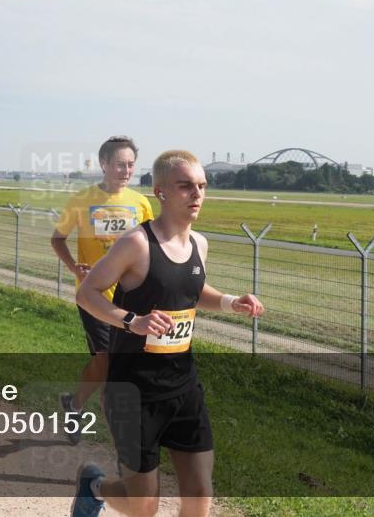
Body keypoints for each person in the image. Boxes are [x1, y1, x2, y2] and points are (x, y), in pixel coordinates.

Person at [71, 150, 264, 517]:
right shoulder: (137, 244)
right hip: (133, 389)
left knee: (199, 495)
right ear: (160, 192)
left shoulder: (199, 244)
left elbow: (191, 292)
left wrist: (229, 302)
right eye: (186, 186)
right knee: (143, 507)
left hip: (183, 384)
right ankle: (94, 487)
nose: (197, 195)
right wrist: (132, 321)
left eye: (202, 186)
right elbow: (87, 293)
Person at [50, 136, 154, 443]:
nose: (126, 170)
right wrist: (73, 267)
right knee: (107, 359)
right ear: (104, 164)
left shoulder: (141, 203)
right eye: (120, 164)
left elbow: (150, 245)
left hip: (132, 296)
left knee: (119, 362)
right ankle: (122, 431)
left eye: (131, 164)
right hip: (94, 295)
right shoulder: (82, 200)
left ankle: (74, 403)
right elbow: (57, 239)